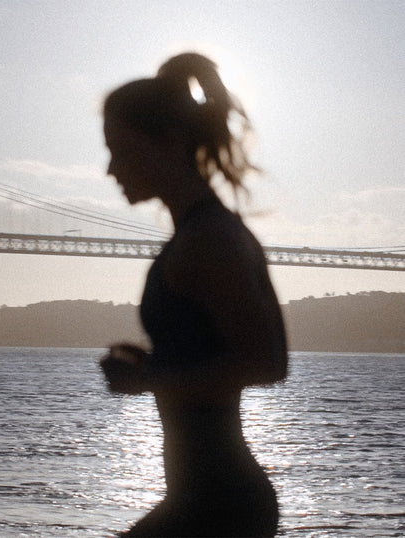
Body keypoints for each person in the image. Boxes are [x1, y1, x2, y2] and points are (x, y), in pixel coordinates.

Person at [101, 52, 288, 537]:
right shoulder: (204, 234)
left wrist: (150, 379)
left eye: (119, 149)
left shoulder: (211, 241)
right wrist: (154, 366)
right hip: (204, 499)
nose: (110, 168)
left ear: (168, 142)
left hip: (219, 507)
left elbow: (266, 362)